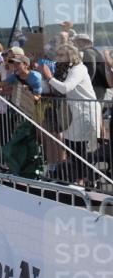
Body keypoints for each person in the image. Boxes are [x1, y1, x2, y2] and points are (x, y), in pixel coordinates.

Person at [40, 44, 99, 186]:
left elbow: (66, 87)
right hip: (73, 112)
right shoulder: (67, 69)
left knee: (79, 148)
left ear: (70, 56)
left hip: (84, 111)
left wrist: (49, 77)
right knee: (71, 146)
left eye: (61, 55)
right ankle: (81, 178)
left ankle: (85, 180)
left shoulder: (79, 69)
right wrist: (45, 77)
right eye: (58, 54)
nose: (57, 57)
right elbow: (55, 89)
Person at [0, 54, 44, 178]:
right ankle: (21, 169)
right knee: (21, 142)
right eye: (14, 64)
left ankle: (37, 169)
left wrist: (27, 90)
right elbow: (0, 85)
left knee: (34, 142)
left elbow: (38, 98)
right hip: (20, 113)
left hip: (34, 114)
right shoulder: (14, 76)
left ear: (26, 64)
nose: (15, 66)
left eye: (18, 63)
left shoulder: (35, 76)